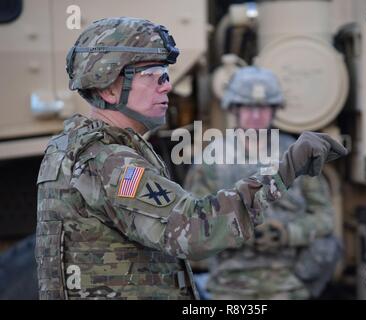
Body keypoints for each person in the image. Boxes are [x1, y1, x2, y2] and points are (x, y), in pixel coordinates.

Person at [35, 17, 347, 300]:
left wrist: (286, 233)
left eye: (165, 74)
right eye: (153, 75)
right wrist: (284, 170)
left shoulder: (77, 147)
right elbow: (195, 231)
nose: (167, 85)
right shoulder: (108, 162)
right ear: (110, 87)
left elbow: (322, 222)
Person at [184, 66, 343, 299]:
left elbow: (324, 217)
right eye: (248, 107)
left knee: (330, 245)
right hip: (230, 280)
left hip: (288, 280)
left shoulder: (295, 154)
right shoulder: (212, 159)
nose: (256, 115)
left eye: (264, 107)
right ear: (234, 109)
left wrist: (287, 233)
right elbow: (193, 222)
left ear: (274, 110)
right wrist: (236, 230)